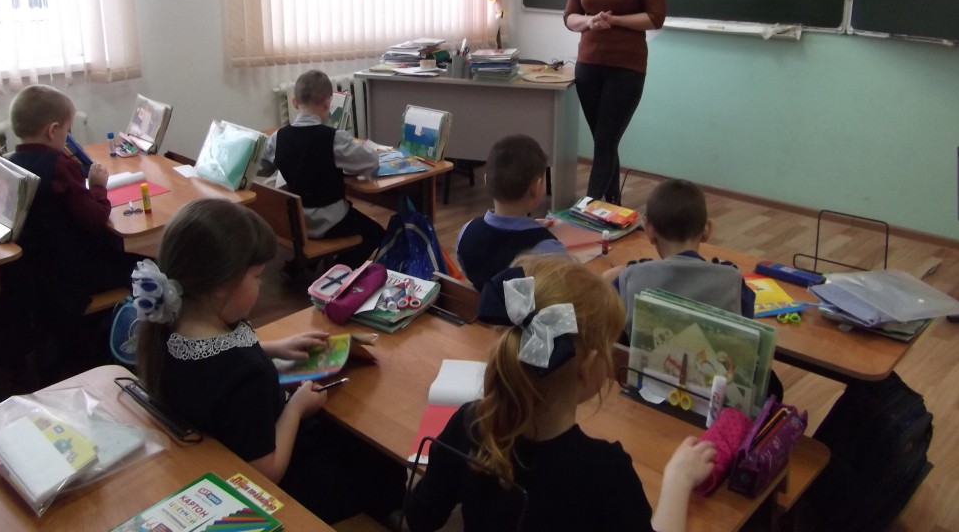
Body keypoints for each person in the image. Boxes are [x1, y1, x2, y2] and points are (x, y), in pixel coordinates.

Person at [135, 199, 404, 524]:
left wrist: (273, 348)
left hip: (220, 458)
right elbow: (264, 472)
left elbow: (215, 367)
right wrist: (296, 409)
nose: (261, 285)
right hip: (284, 486)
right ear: (221, 287)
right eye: (257, 276)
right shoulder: (245, 376)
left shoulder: (171, 331)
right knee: (382, 463)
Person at [404, 256, 715, 532]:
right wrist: (678, 481)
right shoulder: (604, 472)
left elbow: (419, 516)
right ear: (589, 366)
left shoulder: (469, 423)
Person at [6, 84, 141, 379]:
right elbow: (95, 219)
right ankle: (129, 342)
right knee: (146, 264)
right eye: (68, 131)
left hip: (37, 273)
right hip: (71, 275)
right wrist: (99, 187)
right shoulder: (59, 165)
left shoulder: (9, 162)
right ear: (53, 130)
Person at [564, 0, 665, 205]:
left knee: (606, 139)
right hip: (588, 65)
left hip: (626, 68)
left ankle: (589, 207)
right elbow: (569, 17)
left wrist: (616, 20)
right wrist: (589, 21)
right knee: (603, 139)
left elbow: (655, 17)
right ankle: (612, 205)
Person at [605, 179, 753, 342]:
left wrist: (604, 281)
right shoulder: (732, 281)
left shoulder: (629, 278)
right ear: (707, 229)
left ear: (649, 231)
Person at [263, 70, 385, 269]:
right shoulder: (334, 138)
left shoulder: (278, 137)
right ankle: (336, 273)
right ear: (328, 103)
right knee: (376, 233)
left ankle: (302, 266)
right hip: (328, 221)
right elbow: (371, 162)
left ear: (294, 103)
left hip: (295, 221)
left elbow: (262, 166)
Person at [455, 134, 566, 290]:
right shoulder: (550, 251)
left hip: (479, 305)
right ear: (536, 188)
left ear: (486, 181)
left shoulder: (466, 232)